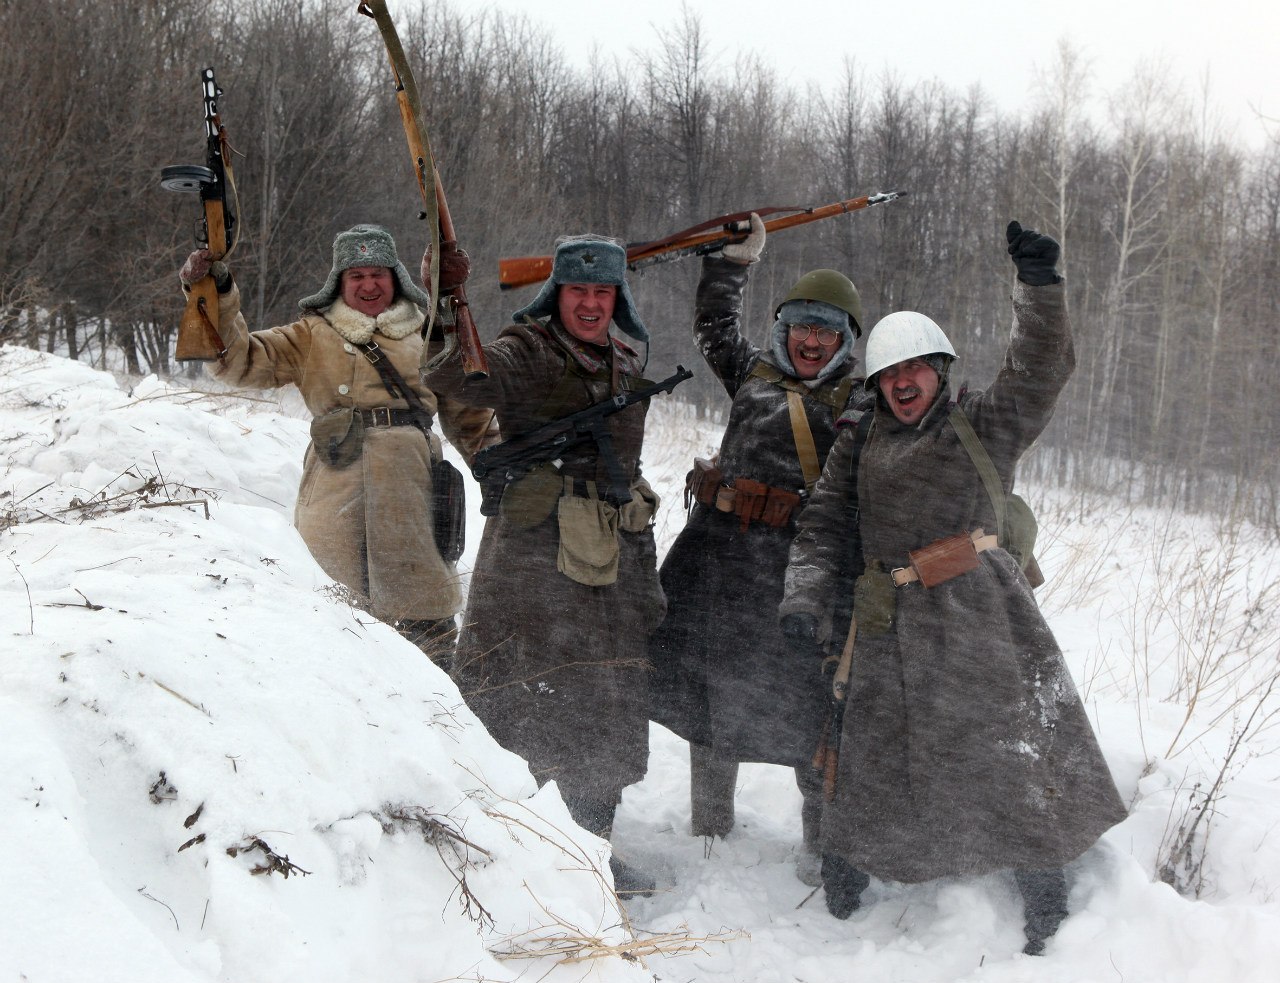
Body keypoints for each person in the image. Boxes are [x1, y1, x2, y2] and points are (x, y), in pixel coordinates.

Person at [780, 221, 1127, 955]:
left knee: (1006, 749)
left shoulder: (982, 425)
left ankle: (1043, 886)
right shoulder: (859, 441)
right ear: (876, 383)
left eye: (917, 368)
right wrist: (803, 597)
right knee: (873, 752)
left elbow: (1040, 369)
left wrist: (1040, 288)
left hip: (980, 618)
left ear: (940, 369)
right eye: (890, 374)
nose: (903, 382)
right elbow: (822, 524)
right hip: (884, 624)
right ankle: (849, 873)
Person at [421, 234, 666, 895]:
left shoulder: (624, 356)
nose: (589, 304)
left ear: (617, 297)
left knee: (604, 704)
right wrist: (445, 299)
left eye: (602, 292)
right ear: (557, 293)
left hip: (609, 560)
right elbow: (458, 375)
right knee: (525, 699)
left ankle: (592, 854)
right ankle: (514, 854)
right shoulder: (527, 350)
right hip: (532, 564)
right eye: (577, 290)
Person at [647, 214, 868, 886]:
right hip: (720, 559)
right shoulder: (753, 374)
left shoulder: (859, 404)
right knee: (709, 686)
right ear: (783, 329)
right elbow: (715, 326)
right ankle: (709, 825)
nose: (811, 340)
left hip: (799, 574)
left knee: (813, 702)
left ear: (845, 341)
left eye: (826, 331)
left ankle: (820, 846)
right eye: (801, 326)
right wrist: (733, 262)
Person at [178, 225, 496, 657]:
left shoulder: (428, 333)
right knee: (329, 621)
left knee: (426, 625)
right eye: (356, 276)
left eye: (378, 274)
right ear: (339, 282)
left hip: (413, 494)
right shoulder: (310, 334)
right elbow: (238, 362)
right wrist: (215, 293)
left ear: (396, 278)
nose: (368, 285)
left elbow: (471, 418)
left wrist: (500, 469)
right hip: (334, 490)